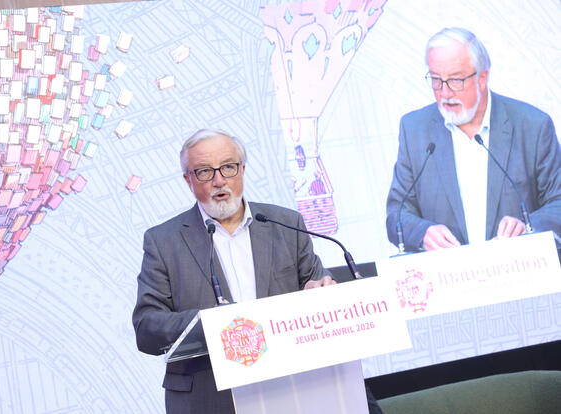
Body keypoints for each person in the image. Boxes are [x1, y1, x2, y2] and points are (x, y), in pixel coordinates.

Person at [133, 129, 382, 413]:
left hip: (292, 389)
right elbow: (147, 327)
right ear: (188, 180)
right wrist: (213, 324)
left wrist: (323, 293)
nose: (219, 180)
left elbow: (317, 285)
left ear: (242, 169)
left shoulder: (285, 224)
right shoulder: (163, 241)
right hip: (211, 396)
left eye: (228, 167)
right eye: (204, 172)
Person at [386, 27, 561, 252]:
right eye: (436, 80)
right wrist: (423, 233)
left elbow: (558, 202)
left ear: (482, 78)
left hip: (519, 267)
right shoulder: (415, 130)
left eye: (456, 80)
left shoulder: (532, 126)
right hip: (448, 272)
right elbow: (397, 214)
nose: (445, 92)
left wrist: (528, 228)